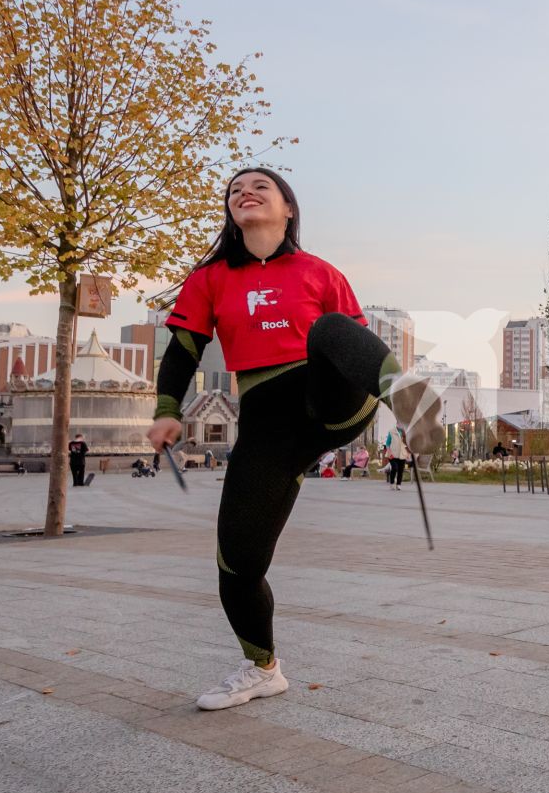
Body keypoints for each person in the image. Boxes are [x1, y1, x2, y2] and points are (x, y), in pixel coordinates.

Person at [147, 167, 442, 712]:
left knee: (330, 329)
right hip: (267, 427)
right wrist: (167, 410)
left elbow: (351, 339)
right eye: (235, 191)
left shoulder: (319, 272)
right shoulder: (210, 279)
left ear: (288, 208)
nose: (245, 194)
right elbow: (183, 352)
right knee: (237, 565)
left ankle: (409, 397)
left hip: (328, 402)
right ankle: (262, 669)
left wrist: (392, 395)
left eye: (260, 187)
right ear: (230, 213)